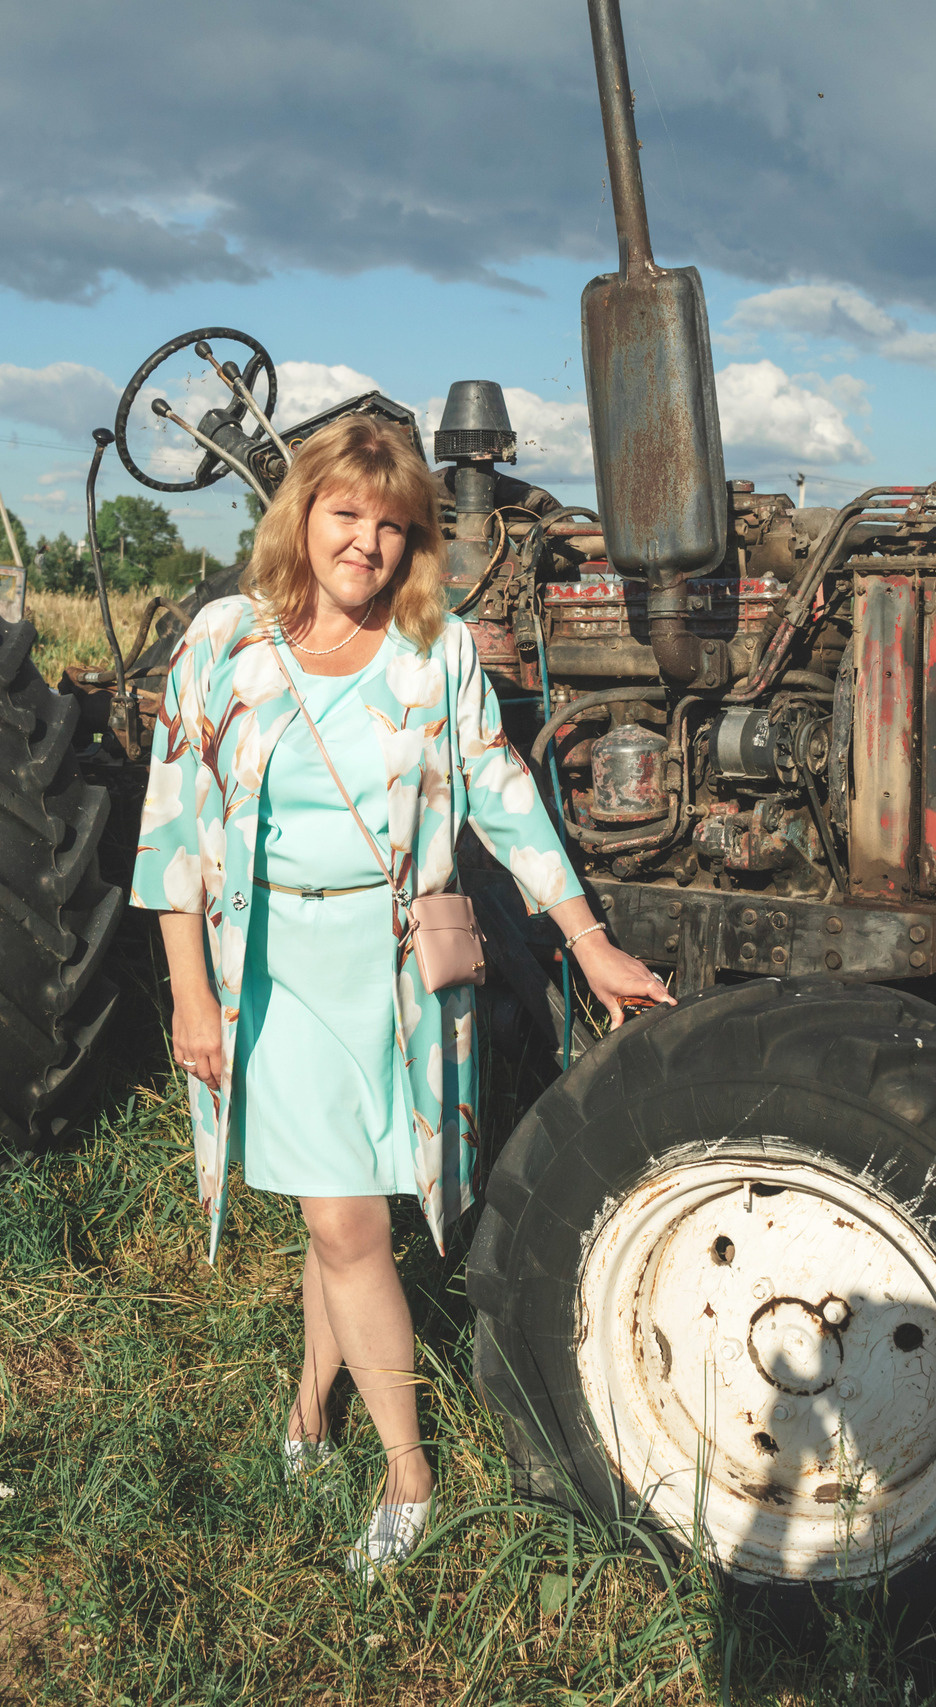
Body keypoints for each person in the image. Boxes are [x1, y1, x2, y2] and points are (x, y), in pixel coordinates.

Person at [128, 414, 672, 1575]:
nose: (365, 544)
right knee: (343, 1220)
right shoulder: (224, 641)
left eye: (390, 525)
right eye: (344, 515)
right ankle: (408, 1469)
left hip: (392, 978)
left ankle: (307, 1417)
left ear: (414, 543)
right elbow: (171, 827)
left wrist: (587, 942)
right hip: (267, 966)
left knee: (351, 1210)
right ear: (301, 517)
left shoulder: (436, 652)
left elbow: (504, 798)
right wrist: (188, 996)